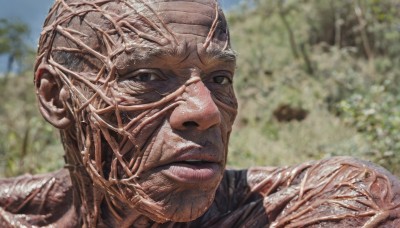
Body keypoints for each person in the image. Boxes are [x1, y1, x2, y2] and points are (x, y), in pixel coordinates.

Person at [1, 0, 400, 227]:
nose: (205, 110)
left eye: (220, 78)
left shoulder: (337, 205)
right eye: (145, 75)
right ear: (55, 97)